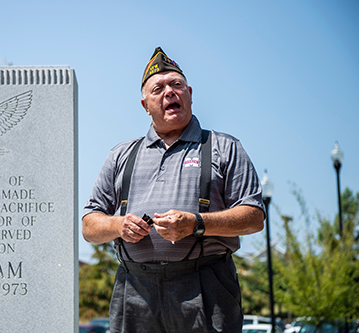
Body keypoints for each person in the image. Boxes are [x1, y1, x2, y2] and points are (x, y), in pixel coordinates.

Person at [82, 47, 265, 333]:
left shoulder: (224, 147)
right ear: (145, 104)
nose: (169, 92)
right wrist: (119, 225)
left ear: (190, 93)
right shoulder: (121, 155)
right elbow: (90, 226)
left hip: (206, 286)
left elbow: (254, 217)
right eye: (158, 88)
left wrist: (197, 223)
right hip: (134, 289)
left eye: (176, 85)